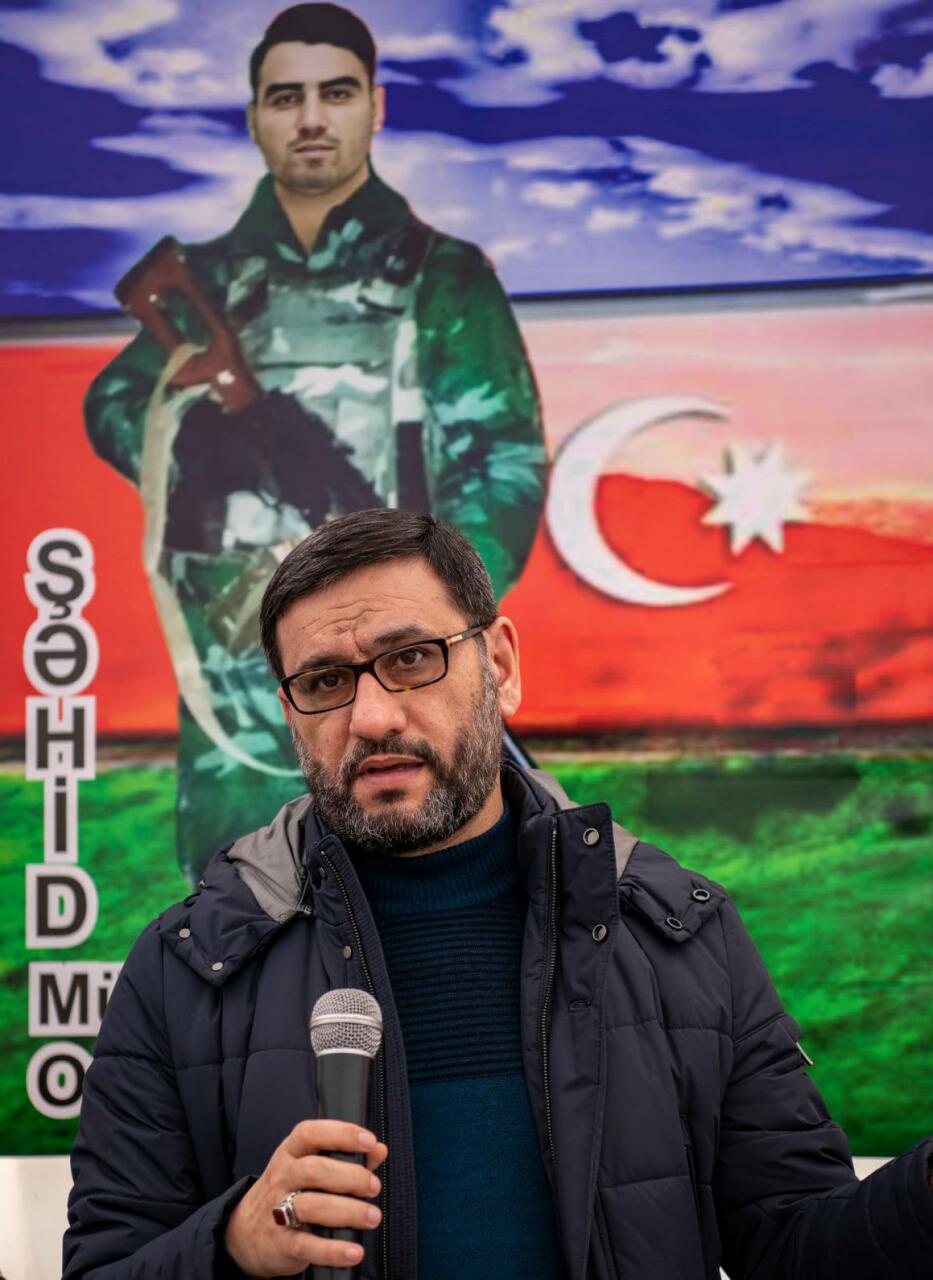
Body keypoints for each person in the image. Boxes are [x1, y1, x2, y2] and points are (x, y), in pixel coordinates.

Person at [64, 507, 933, 1279]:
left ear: (501, 664)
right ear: (291, 712)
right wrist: (232, 1244)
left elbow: (793, 1244)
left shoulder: (678, 932)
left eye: (411, 658)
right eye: (325, 681)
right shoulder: (187, 969)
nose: (372, 717)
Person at [84, 3, 545, 881]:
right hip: (238, 693)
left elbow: (504, 470)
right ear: (255, 117)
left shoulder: (441, 276)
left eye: (335, 93)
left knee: (431, 892)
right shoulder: (210, 277)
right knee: (233, 922)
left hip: (403, 686)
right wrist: (198, 435)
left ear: (374, 106)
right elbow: (112, 402)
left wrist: (425, 621)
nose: (309, 118)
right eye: (284, 97)